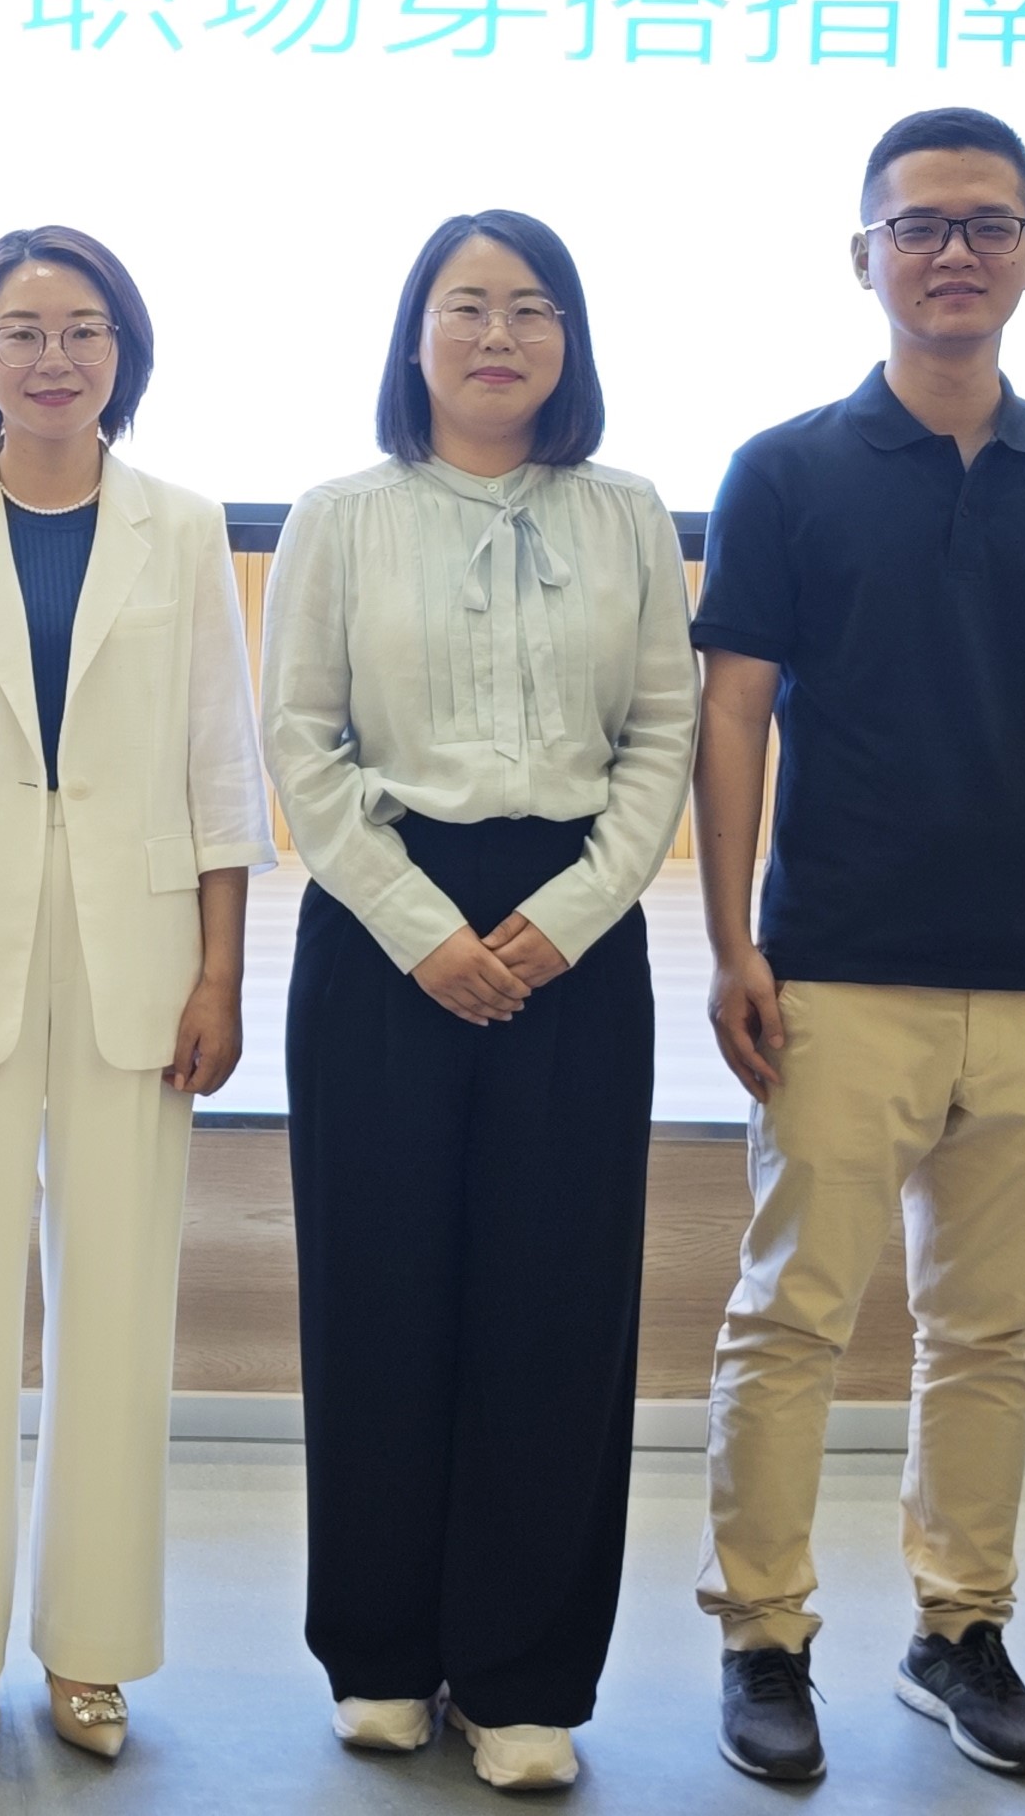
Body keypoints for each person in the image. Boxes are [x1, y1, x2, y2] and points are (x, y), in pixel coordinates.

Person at [687, 106, 1025, 1783]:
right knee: (792, 1321)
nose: (955, 251)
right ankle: (763, 1638)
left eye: (988, 224)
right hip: (833, 967)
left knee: (987, 1334)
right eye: (921, 225)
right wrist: (733, 939)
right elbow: (735, 712)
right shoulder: (784, 468)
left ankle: (957, 1628)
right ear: (866, 257)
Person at [261, 209, 695, 1792]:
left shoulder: (629, 515)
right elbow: (300, 741)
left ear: (569, 339)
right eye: (466, 305)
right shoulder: (338, 517)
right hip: (384, 932)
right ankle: (380, 1653)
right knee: (377, 1294)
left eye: (530, 308)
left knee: (555, 1307)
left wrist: (570, 915)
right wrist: (418, 926)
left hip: (574, 932)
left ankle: (522, 1677)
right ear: (416, 335)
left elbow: (662, 736)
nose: (498, 335)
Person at [0, 225, 272, 1763]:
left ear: (122, 352)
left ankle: (92, 1649)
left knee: (118, 1311)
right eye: (20, 330)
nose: (53, 356)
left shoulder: (182, 524)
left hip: (138, 961)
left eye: (83, 329)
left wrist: (222, 970)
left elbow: (224, 767)